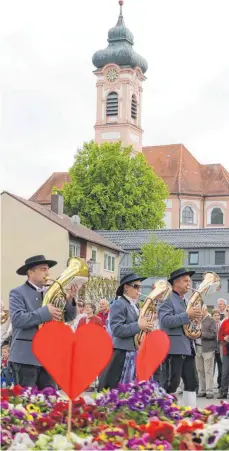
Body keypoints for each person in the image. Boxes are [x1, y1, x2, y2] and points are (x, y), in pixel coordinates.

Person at [9, 255, 78, 389]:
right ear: (30, 272)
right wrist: (45, 312)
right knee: (26, 401)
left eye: (48, 270)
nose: (48, 273)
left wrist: (69, 299)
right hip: (26, 357)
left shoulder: (52, 292)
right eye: (43, 269)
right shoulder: (17, 293)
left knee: (50, 400)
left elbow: (68, 317)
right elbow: (18, 319)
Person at [98, 273, 153, 391]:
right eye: (136, 286)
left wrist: (145, 327)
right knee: (120, 388)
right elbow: (117, 329)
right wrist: (139, 325)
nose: (139, 290)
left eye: (140, 287)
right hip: (123, 352)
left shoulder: (134, 305)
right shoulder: (119, 303)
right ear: (126, 287)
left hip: (134, 351)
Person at [158, 267, 202, 408]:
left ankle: (191, 413)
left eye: (189, 281)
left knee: (192, 382)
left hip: (187, 347)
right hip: (173, 348)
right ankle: (165, 412)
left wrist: (195, 323)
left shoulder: (187, 300)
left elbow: (187, 322)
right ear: (176, 282)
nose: (189, 284)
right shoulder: (167, 299)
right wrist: (187, 315)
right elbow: (165, 321)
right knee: (171, 383)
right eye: (185, 281)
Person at [195, 305, 217, 399]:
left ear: (205, 310)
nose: (199, 313)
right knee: (200, 370)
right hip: (197, 347)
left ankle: (209, 391)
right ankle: (202, 390)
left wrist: (201, 334)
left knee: (208, 370)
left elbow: (213, 334)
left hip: (208, 348)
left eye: (200, 311)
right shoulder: (196, 319)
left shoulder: (211, 320)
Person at [217, 306, 229, 399]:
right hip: (226, 351)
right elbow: (220, 336)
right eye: (227, 310)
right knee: (225, 372)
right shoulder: (225, 322)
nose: (228, 312)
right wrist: (224, 338)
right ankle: (223, 392)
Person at [212, 309, 222, 390]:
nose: (217, 317)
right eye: (215, 315)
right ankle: (211, 384)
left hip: (220, 348)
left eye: (218, 315)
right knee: (211, 367)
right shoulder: (211, 324)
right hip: (212, 347)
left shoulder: (222, 323)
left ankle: (220, 383)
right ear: (212, 316)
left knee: (221, 367)